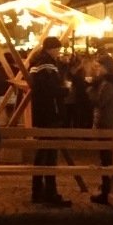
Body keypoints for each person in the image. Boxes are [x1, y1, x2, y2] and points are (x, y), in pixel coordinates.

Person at [29, 36, 72, 207]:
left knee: (43, 154)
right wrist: (65, 90)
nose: (59, 52)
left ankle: (39, 190)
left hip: (43, 113)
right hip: (50, 113)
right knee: (49, 156)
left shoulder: (39, 63)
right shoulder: (46, 65)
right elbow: (49, 90)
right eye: (58, 49)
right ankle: (49, 192)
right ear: (51, 49)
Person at [89, 54, 113, 205]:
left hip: (106, 125)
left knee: (107, 160)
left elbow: (99, 101)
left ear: (106, 67)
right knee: (108, 159)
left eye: (99, 66)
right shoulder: (111, 82)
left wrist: (90, 89)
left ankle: (110, 191)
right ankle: (111, 190)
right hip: (111, 124)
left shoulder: (107, 84)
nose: (97, 69)